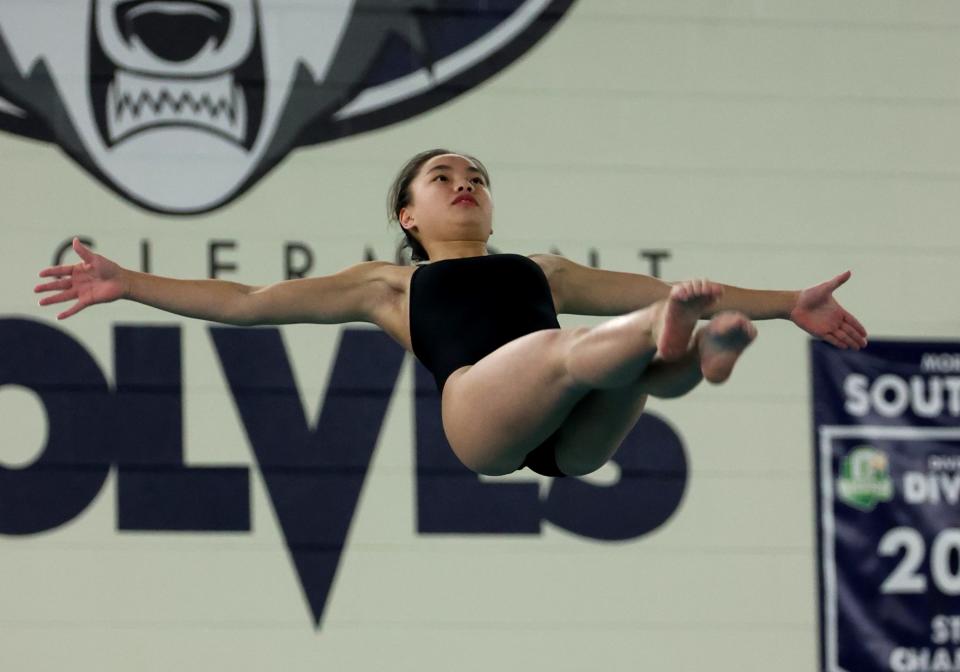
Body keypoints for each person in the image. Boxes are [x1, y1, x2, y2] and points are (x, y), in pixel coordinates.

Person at [34, 149, 868, 478]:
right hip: (482, 415)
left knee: (648, 364)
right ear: (408, 217)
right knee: (576, 350)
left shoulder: (539, 267)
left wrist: (792, 305)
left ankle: (703, 355)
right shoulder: (387, 286)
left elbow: (658, 290)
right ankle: (684, 347)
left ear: (493, 212)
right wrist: (130, 283)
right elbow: (247, 303)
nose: (463, 182)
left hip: (574, 438)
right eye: (441, 178)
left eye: (475, 176)